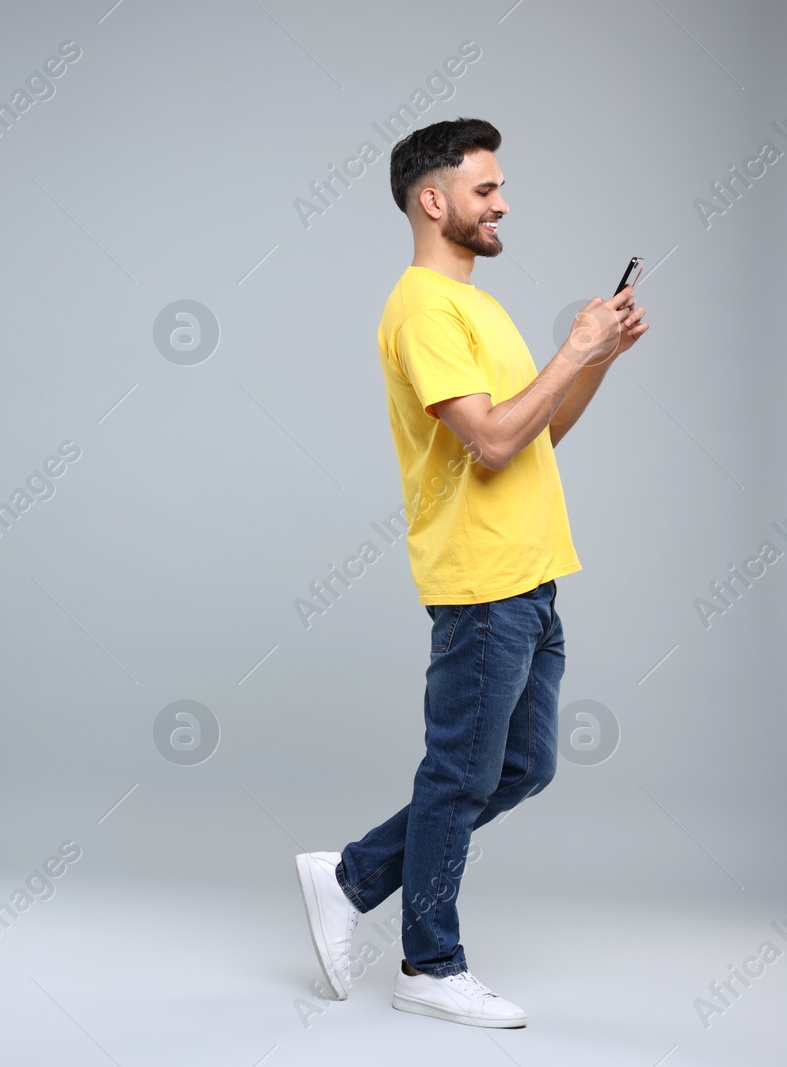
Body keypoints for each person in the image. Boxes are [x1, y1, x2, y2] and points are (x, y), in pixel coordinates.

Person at [294, 117, 648, 1028]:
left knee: (521, 767)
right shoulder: (421, 308)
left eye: (499, 189)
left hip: (532, 576)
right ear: (434, 199)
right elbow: (489, 444)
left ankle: (351, 875)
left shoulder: (479, 306)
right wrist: (571, 346)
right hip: (482, 583)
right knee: (458, 774)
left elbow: (538, 436)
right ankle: (429, 962)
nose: (502, 203)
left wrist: (595, 360)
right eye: (486, 190)